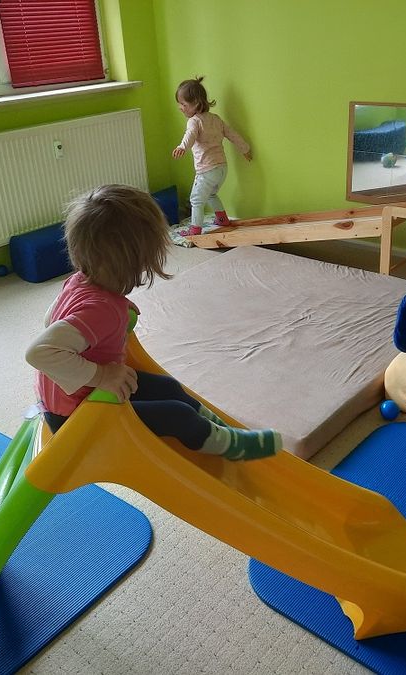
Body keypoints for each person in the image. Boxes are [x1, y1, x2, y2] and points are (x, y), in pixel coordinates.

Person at [25, 184, 281, 461]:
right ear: (134, 261)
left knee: (167, 387)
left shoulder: (77, 282)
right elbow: (38, 352)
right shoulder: (101, 310)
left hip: (75, 398)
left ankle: (217, 428)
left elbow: (52, 319)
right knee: (176, 414)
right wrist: (101, 374)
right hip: (78, 418)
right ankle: (230, 447)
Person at [172, 76, 252, 236]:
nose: (180, 107)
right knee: (211, 194)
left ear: (196, 104)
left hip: (206, 170)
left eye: (183, 104)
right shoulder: (216, 119)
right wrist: (245, 149)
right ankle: (222, 219)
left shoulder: (194, 121)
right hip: (222, 168)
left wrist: (182, 146)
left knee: (196, 199)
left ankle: (195, 230)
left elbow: (190, 135)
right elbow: (232, 134)